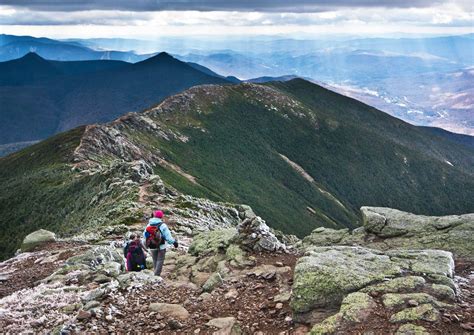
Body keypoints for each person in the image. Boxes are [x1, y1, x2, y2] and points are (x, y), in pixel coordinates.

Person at [143, 210, 178, 276]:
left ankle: (155, 274)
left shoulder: (149, 224)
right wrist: (174, 242)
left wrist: (147, 243)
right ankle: (157, 274)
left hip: (152, 245)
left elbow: (144, 235)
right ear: (161, 217)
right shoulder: (163, 225)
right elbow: (168, 237)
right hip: (161, 245)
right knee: (160, 260)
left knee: (154, 260)